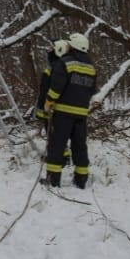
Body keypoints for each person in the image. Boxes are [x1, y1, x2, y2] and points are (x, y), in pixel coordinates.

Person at [42, 32, 97, 189]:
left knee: (56, 145)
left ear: (72, 47)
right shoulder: (91, 67)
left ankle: (53, 180)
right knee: (79, 146)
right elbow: (92, 90)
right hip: (81, 114)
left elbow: (56, 86)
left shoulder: (65, 62)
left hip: (62, 113)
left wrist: (49, 101)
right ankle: (81, 180)